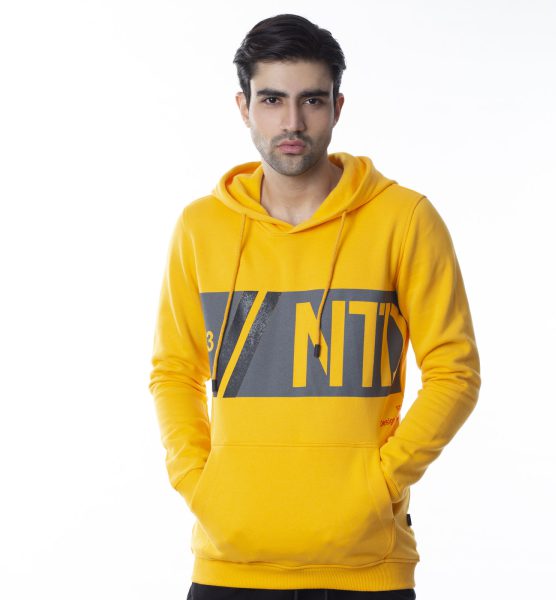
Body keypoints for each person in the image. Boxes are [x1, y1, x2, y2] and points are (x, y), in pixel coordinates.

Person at [149, 13, 481, 600]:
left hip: (366, 567)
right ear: (244, 107)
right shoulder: (201, 227)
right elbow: (174, 371)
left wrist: (382, 483)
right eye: (272, 99)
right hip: (230, 564)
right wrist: (198, 482)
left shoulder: (404, 220)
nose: (292, 122)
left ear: (337, 106)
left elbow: (455, 372)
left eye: (312, 100)